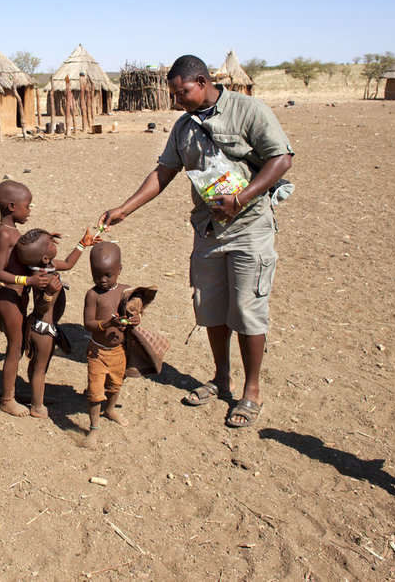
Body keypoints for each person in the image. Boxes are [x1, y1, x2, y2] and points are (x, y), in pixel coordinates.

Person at [99, 55, 293, 429]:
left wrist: (240, 199)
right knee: (211, 308)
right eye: (174, 95)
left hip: (249, 227)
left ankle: (251, 391)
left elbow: (281, 159)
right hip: (207, 230)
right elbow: (164, 172)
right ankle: (222, 379)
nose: (177, 101)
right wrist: (125, 209)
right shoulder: (184, 127)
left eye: (182, 92)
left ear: (202, 82)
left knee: (248, 309)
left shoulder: (249, 111)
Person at [12, 227, 94, 419]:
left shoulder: (44, 268)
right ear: (45, 259)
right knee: (40, 369)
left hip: (41, 327)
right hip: (43, 329)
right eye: (50, 243)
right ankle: (38, 407)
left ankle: (35, 397)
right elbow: (41, 307)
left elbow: (67, 263)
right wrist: (48, 294)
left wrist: (82, 244)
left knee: (38, 366)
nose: (53, 243)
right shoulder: (42, 279)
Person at [0, 180, 50, 417]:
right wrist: (28, 282)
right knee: (14, 348)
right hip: (8, 297)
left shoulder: (14, 231)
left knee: (19, 345)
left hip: (18, 297)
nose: (30, 210)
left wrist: (44, 238)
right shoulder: (5, 233)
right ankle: (7, 399)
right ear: (13, 206)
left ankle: (13, 389)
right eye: (28, 206)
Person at [82, 242, 137, 445]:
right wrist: (106, 324)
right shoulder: (93, 295)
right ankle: (94, 427)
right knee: (95, 391)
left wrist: (135, 319)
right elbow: (88, 324)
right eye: (97, 275)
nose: (102, 280)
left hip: (119, 352)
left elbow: (135, 314)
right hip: (98, 352)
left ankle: (110, 409)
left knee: (115, 385)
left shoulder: (126, 292)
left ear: (119, 270)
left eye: (108, 275)